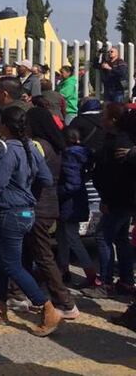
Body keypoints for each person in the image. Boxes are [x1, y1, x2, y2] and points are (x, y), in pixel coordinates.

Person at [0, 105, 62, 336]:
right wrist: (24, 184)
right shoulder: (32, 147)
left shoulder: (6, 149)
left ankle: (47, 307)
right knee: (2, 260)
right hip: (26, 210)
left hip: (9, 211)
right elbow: (46, 178)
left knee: (12, 264)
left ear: (4, 125)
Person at [24, 107, 78, 318]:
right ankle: (23, 292)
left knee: (43, 254)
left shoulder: (37, 145)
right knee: (30, 251)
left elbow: (30, 176)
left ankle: (65, 302)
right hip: (48, 206)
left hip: (37, 208)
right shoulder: (55, 146)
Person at [86, 103, 136, 300]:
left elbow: (114, 176)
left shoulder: (119, 142)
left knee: (103, 237)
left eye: (104, 115)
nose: (101, 119)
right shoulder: (122, 140)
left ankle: (105, 282)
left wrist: (107, 199)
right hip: (125, 199)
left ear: (113, 119)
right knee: (121, 238)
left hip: (118, 199)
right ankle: (126, 280)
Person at [55, 126, 97, 287]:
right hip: (76, 201)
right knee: (62, 236)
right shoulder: (83, 153)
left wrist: (56, 192)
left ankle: (91, 274)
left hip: (69, 203)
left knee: (72, 237)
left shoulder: (69, 155)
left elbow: (72, 184)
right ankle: (63, 269)